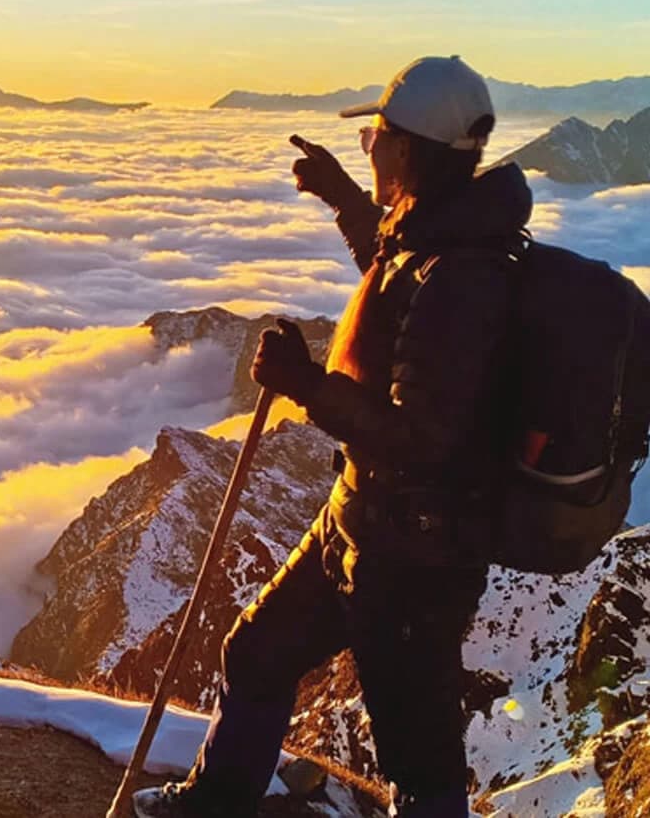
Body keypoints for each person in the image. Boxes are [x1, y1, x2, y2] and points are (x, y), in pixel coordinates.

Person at [134, 56, 532, 818]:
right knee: (257, 652)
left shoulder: (465, 276)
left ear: (409, 149)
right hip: (360, 524)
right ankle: (218, 801)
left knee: (421, 770)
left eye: (375, 138)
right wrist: (342, 195)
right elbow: (390, 276)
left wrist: (305, 384)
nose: (371, 150)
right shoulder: (436, 237)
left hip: (415, 558)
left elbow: (425, 437)